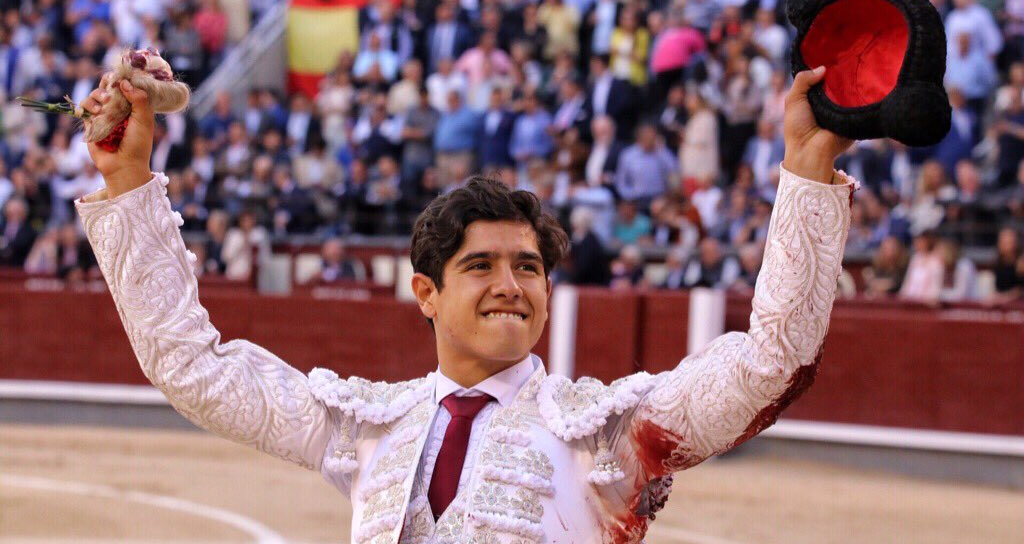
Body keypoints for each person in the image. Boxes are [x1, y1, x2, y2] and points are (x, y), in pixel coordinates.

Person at [72, 67, 855, 542]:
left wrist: (806, 170)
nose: (510, 284)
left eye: (528, 268)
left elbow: (771, 363)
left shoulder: (609, 436)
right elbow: (191, 368)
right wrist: (128, 179)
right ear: (427, 293)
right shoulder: (366, 428)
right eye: (481, 266)